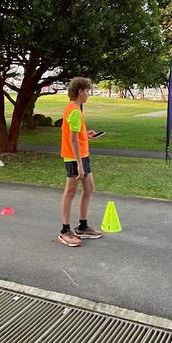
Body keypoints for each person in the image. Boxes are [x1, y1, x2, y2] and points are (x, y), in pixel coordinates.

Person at [58, 77, 103, 247]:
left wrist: (87, 134)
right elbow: (73, 140)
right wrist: (78, 164)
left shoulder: (73, 108)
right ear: (80, 91)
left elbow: (77, 135)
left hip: (83, 155)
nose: (89, 94)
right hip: (74, 158)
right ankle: (64, 231)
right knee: (70, 193)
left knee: (89, 188)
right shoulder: (75, 110)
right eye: (87, 91)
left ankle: (82, 227)